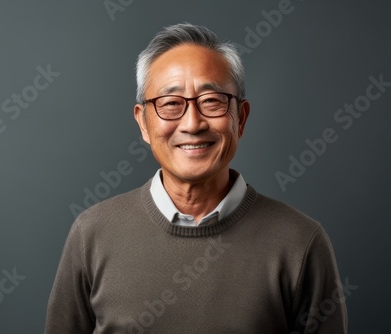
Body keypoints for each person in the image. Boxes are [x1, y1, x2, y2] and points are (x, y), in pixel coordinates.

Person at [45, 23, 347, 333]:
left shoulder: (300, 242)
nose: (192, 123)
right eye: (171, 104)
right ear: (143, 123)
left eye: (212, 101)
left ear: (240, 119)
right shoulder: (92, 234)